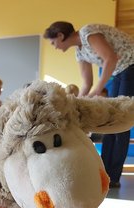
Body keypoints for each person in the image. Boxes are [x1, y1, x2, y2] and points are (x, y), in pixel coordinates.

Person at [43, 21, 134, 188]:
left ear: (61, 36)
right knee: (111, 123)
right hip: (119, 71)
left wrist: (97, 91)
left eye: (53, 42)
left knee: (121, 124)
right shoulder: (79, 52)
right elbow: (86, 84)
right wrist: (75, 103)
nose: (54, 47)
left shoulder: (88, 33)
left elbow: (110, 58)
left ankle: (113, 176)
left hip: (130, 66)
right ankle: (105, 173)